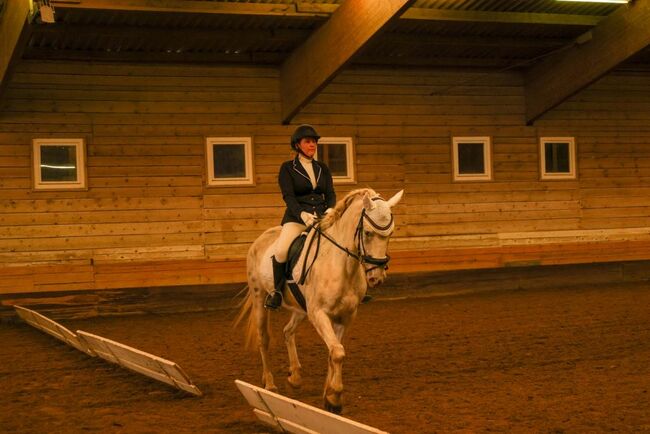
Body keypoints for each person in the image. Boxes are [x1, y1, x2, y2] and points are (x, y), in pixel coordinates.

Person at [264, 124, 336, 310]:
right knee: (281, 251)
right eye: (308, 142)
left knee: (343, 244)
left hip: (322, 217)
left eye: (314, 142)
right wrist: (302, 214)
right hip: (297, 218)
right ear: (298, 145)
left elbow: (330, 193)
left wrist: (330, 210)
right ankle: (277, 292)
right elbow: (288, 196)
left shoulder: (322, 168)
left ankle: (352, 287)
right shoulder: (287, 168)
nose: (312, 145)